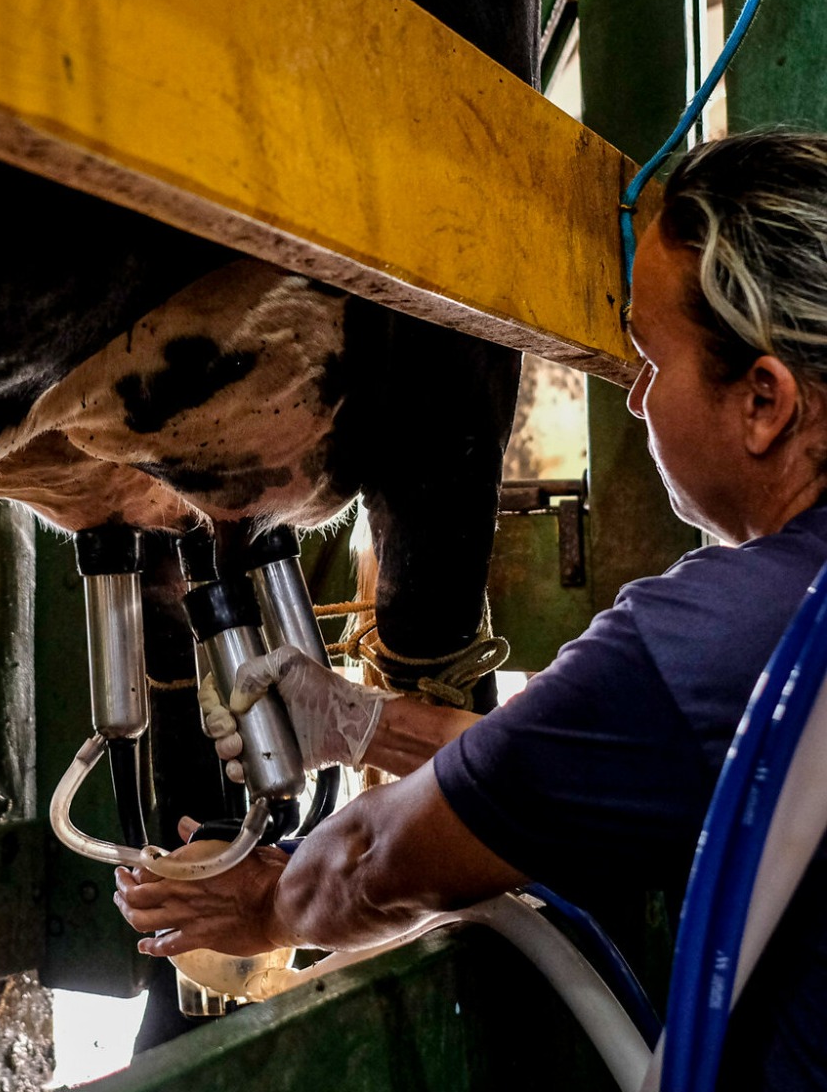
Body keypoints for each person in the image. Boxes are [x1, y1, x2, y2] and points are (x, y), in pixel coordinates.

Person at [114, 128, 827, 1088]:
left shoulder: (712, 641)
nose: (636, 403)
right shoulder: (762, 642)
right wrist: (366, 724)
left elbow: (373, 858)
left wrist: (272, 898)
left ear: (765, 400)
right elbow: (586, 756)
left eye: (649, 364)